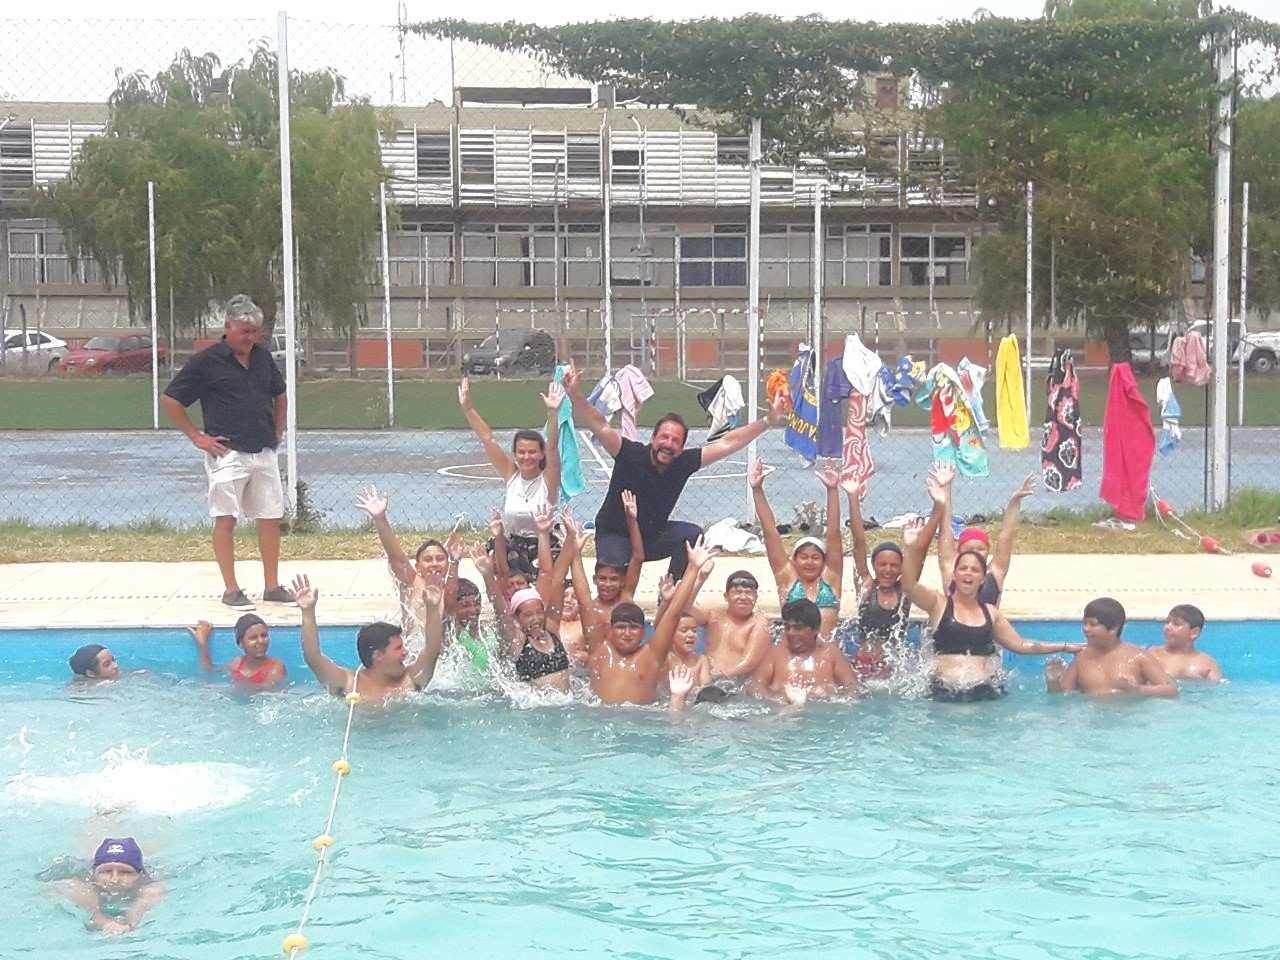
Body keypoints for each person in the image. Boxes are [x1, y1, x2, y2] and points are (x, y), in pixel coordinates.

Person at [562, 359, 790, 579]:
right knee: (613, 579)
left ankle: (670, 594)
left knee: (692, 536)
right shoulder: (629, 453)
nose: (668, 444)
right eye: (664, 437)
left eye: (675, 441)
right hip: (616, 535)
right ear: (652, 438)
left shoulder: (684, 463)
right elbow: (600, 425)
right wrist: (574, 395)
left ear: (682, 447)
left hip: (652, 537)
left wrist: (768, 420)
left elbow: (728, 442)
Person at [904, 469, 1082, 702]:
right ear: (956, 571)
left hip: (985, 675)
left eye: (977, 563)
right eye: (964, 565)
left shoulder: (993, 593)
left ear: (982, 573)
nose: (969, 570)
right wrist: (944, 494)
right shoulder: (941, 595)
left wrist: (1014, 502)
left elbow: (1006, 536)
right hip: (945, 685)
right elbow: (913, 578)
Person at [161, 295, 293, 610]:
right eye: (244, 331)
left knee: (271, 517)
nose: (250, 338)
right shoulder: (206, 361)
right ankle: (231, 589)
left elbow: (280, 394)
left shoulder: (262, 358)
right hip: (227, 453)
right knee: (226, 519)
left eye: (255, 332)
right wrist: (196, 436)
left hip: (263, 450)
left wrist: (278, 429)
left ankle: (272, 586)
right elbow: (172, 399)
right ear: (228, 328)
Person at [841, 465, 954, 679]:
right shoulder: (866, 586)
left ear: (901, 568)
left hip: (896, 669)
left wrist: (938, 506)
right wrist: (853, 498)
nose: (888, 570)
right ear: (874, 566)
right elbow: (859, 542)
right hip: (865, 665)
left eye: (894, 565)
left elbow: (920, 550)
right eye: (882, 565)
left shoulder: (906, 590)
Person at [575, 538, 716, 705]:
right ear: (610, 629)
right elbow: (584, 601)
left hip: (642, 725)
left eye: (633, 628)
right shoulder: (599, 649)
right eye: (621, 627)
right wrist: (574, 554)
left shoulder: (652, 654)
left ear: (643, 631)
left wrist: (693, 568)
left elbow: (674, 614)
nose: (627, 634)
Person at [459, 376, 563, 570]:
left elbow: (553, 448)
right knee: (494, 554)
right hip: (514, 546)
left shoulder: (548, 482)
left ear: (541, 454)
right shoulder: (512, 476)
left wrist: (553, 413)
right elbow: (488, 438)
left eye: (532, 452)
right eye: (521, 452)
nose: (527, 457)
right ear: (514, 455)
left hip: (543, 545)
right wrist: (468, 408)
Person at [294, 573, 445, 701]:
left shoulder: (411, 681)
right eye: (398, 648)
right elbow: (313, 657)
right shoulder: (348, 684)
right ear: (378, 655)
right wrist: (307, 612)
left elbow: (432, 650)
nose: (406, 652)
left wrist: (432, 608)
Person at [490, 506, 581, 693]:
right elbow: (500, 608)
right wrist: (486, 574)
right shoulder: (516, 639)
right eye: (528, 614)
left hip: (566, 707)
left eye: (539, 612)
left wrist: (567, 539)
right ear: (516, 617)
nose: (536, 618)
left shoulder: (552, 630)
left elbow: (553, 577)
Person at [752, 459, 844, 637]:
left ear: (824, 561)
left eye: (816, 557)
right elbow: (770, 533)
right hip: (792, 655)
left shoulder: (831, 578)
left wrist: (832, 490)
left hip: (824, 656)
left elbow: (833, 534)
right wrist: (757, 490)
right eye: (804, 557)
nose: (809, 562)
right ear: (793, 561)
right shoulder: (787, 579)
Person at [355, 487, 462, 621]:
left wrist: (455, 561)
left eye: (440, 559)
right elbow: (397, 559)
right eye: (428, 560)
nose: (434, 563)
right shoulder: (413, 584)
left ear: (447, 564)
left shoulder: (451, 591)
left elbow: (452, 596)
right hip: (414, 642)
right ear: (418, 567)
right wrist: (380, 519)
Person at [1045, 598, 1179, 698]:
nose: (1086, 629)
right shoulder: (1082, 659)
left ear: (1113, 628)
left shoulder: (1138, 657)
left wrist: (1139, 691)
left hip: (1129, 721)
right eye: (1084, 623)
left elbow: (1171, 690)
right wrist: (1053, 682)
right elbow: (1062, 696)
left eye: (1093, 624)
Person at [936, 473, 1035, 605]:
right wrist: (945, 487)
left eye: (980, 549)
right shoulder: (950, 569)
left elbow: (1006, 535)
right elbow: (945, 528)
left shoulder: (996, 572)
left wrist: (1015, 500)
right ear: (958, 551)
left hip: (987, 625)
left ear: (988, 550)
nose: (975, 552)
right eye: (969, 549)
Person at [748, 598, 861, 703]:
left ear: (816, 629)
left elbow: (853, 688)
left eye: (798, 628)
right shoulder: (775, 654)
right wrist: (780, 698)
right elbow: (754, 687)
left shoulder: (831, 655)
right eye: (787, 627)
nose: (791, 633)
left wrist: (822, 698)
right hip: (781, 715)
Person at [49, 837, 166, 936]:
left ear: (140, 875)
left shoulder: (151, 888)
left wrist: (128, 925)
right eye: (106, 871)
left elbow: (140, 909)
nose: (114, 880)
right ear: (94, 873)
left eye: (125, 872)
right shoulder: (81, 886)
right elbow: (92, 913)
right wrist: (107, 924)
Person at [685, 569, 772, 680]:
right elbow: (685, 606)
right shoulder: (713, 616)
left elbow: (749, 663)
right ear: (726, 596)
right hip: (707, 678)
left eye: (749, 593)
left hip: (734, 684)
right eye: (738, 592)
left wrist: (719, 677)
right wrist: (700, 578)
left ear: (756, 597)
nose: (743, 597)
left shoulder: (759, 624)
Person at [187, 616, 286, 687]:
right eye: (253, 638)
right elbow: (210, 671)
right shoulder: (237, 664)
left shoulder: (276, 668)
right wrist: (203, 644)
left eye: (264, 635)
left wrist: (220, 688)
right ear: (240, 644)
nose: (260, 641)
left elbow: (260, 692)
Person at [1147, 604, 1223, 682]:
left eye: (1176, 624)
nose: (1167, 627)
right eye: (1167, 622)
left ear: (1194, 633)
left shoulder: (1207, 665)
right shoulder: (1152, 656)